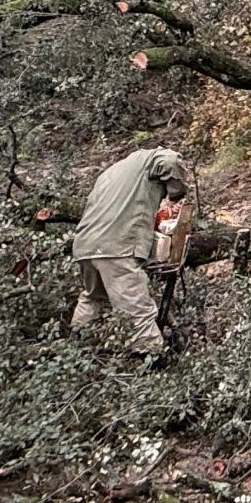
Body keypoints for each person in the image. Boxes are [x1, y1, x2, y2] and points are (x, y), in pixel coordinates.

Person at [70, 147, 190, 358]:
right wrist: (176, 191)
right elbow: (170, 160)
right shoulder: (150, 158)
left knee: (92, 297)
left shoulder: (111, 173)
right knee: (137, 310)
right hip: (117, 246)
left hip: (86, 245)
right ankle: (151, 360)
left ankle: (78, 352)